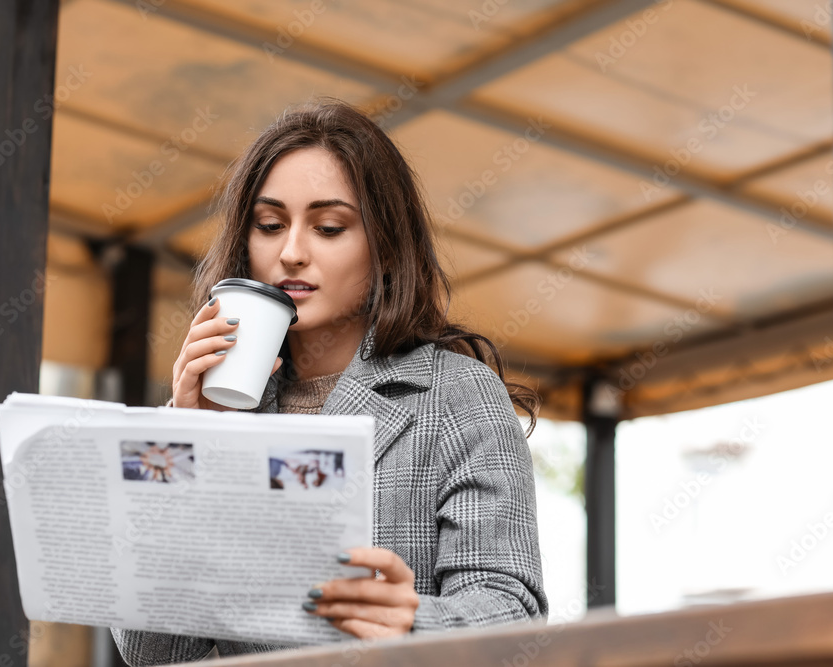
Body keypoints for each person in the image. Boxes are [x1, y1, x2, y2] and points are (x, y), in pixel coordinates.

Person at [111, 98, 548, 665]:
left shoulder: (457, 395)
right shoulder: (223, 409)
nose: (291, 252)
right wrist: (187, 442)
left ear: (385, 246)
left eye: (329, 227)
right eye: (269, 226)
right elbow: (151, 650)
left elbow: (514, 614)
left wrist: (414, 623)